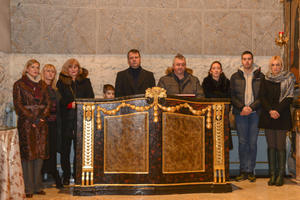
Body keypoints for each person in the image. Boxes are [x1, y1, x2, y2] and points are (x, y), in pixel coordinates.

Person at [13, 59, 51, 198]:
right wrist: (32, 118)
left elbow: (48, 103)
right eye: (33, 67)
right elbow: (18, 105)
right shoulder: (19, 84)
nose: (35, 69)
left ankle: (37, 186)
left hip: (41, 123)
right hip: (26, 124)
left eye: (37, 67)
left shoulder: (43, 85)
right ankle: (28, 188)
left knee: (39, 155)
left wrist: (41, 118)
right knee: (28, 156)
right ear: (27, 69)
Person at [57, 58, 94, 185]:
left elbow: (91, 98)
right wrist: (69, 105)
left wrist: (80, 105)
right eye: (71, 67)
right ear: (67, 69)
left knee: (80, 149)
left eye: (76, 67)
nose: (74, 69)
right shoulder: (61, 82)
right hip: (66, 120)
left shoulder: (85, 82)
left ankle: (78, 174)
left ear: (79, 69)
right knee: (65, 150)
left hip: (82, 119)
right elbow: (59, 100)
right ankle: (66, 175)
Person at [258, 56, 295, 186]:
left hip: (282, 116)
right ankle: (272, 174)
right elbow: (261, 96)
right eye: (273, 65)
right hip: (268, 116)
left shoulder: (288, 78)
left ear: (282, 66)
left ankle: (280, 175)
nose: (275, 67)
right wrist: (270, 111)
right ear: (270, 66)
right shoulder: (265, 78)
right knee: (271, 146)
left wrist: (277, 110)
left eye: (278, 65)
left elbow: (289, 97)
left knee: (280, 146)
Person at [230, 51, 264, 182]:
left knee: (253, 143)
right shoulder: (235, 77)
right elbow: (232, 96)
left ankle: (251, 171)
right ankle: (243, 170)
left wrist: (251, 108)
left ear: (252, 60)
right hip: (240, 114)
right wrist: (242, 107)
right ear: (241, 61)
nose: (247, 61)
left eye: (249, 59)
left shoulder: (260, 76)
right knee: (242, 142)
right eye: (244, 59)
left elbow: (262, 96)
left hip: (255, 114)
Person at [41, 64, 63, 188]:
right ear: (43, 73)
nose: (50, 74)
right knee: (43, 150)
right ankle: (41, 173)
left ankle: (53, 172)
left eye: (53, 72)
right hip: (43, 124)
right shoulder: (39, 87)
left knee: (53, 150)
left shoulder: (55, 89)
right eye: (48, 71)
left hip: (54, 124)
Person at [202, 61, 232, 149]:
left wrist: (216, 96)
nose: (216, 70)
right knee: (211, 143)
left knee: (223, 142)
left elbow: (229, 97)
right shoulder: (206, 82)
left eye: (218, 68)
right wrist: (220, 96)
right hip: (210, 115)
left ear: (221, 71)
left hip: (223, 114)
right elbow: (207, 96)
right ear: (210, 71)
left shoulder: (227, 82)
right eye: (214, 68)